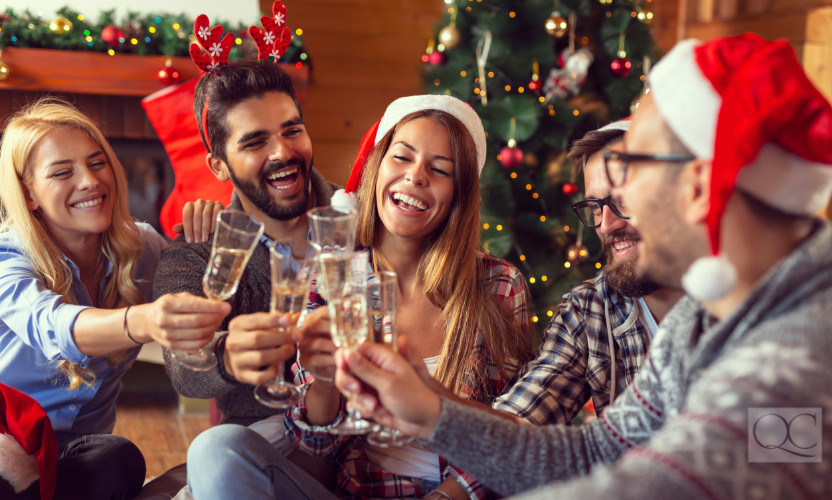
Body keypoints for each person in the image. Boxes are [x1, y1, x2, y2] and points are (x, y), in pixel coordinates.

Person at [336, 33, 832, 498]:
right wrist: (433, 409)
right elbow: (594, 452)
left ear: (695, 188)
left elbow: (666, 488)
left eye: (632, 168)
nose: (604, 221)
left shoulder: (812, 353)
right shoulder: (699, 324)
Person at [186, 94, 535, 500]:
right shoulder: (331, 274)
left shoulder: (498, 285)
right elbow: (315, 451)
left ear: (460, 194)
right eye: (402, 158)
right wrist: (323, 380)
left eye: (440, 169)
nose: (416, 176)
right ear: (377, 165)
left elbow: (515, 433)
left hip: (456, 496)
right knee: (216, 448)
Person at [0, 98, 229, 500]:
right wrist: (145, 320)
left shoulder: (139, 246)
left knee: (118, 459)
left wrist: (205, 244)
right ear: (29, 194)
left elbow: (206, 295)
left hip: (76, 454)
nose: (89, 181)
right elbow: (51, 324)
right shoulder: (8, 257)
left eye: (96, 162)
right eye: (62, 172)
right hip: (9, 440)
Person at [152, 59, 340, 429]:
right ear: (219, 166)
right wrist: (225, 357)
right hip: (258, 437)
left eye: (292, 131)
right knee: (214, 450)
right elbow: (182, 363)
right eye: (255, 142)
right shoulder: (197, 249)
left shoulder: (364, 218)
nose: (282, 153)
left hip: (361, 434)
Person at [490, 121, 682, 425]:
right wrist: (437, 409)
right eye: (596, 206)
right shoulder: (589, 309)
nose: (606, 225)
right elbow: (519, 425)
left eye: (625, 201)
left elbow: (778, 449)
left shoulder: (753, 300)